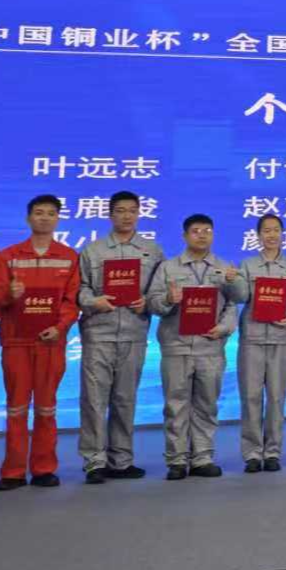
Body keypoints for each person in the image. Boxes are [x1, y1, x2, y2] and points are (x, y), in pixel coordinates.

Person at [0, 195, 81, 490]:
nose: (44, 218)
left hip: (50, 343)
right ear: (28, 218)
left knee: (46, 408)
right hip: (16, 342)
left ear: (58, 219)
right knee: (16, 408)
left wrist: (60, 327)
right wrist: (8, 294)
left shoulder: (69, 257)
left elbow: (71, 301)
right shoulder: (9, 256)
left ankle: (43, 468)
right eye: (39, 213)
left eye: (50, 213)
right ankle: (13, 471)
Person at [147, 214, 246, 480]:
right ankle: (177, 459)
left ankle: (202, 457)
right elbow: (153, 303)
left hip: (210, 346)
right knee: (175, 405)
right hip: (176, 346)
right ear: (184, 236)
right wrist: (168, 299)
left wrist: (224, 328)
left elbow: (234, 302)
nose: (202, 235)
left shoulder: (224, 268)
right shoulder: (168, 268)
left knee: (207, 404)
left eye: (207, 231)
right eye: (196, 230)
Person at [77, 190, 166, 483]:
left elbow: (160, 292)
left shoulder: (152, 251)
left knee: (125, 399)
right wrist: (94, 301)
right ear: (110, 214)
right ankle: (94, 462)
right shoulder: (93, 250)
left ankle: (121, 460)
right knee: (94, 400)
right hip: (98, 333)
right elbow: (80, 289)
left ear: (139, 214)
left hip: (133, 333)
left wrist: (147, 302)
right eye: (120, 211)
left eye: (132, 211)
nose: (127, 216)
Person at [237, 212, 286, 473]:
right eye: (266, 230)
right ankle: (252, 454)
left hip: (281, 338)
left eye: (276, 230)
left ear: (282, 234)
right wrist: (232, 281)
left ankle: (272, 452)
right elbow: (240, 296)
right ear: (258, 235)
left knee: (276, 398)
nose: (272, 235)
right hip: (252, 338)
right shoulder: (247, 265)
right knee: (251, 397)